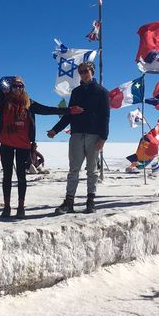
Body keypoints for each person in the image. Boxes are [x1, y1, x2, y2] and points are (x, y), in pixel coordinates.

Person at [0, 55, 82, 218]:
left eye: (20, 86)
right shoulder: (4, 99)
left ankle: (21, 208)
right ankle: (7, 207)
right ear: (11, 87)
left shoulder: (29, 103)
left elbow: (48, 110)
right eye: (14, 86)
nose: (17, 89)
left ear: (24, 87)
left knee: (21, 176)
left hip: (23, 145)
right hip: (6, 143)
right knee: (6, 176)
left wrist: (69, 110)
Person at [47, 61, 110, 214]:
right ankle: (69, 202)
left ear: (92, 71)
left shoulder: (102, 92)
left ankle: (90, 202)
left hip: (94, 135)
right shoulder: (76, 92)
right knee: (74, 169)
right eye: (80, 71)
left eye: (85, 71)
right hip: (76, 135)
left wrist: (103, 138)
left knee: (92, 170)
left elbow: (105, 116)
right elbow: (70, 114)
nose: (83, 74)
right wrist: (55, 130)